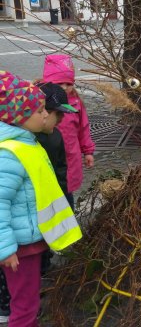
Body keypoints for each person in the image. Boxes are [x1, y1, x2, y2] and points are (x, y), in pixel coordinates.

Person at [0, 70, 82, 326]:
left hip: (31, 239)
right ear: (18, 117)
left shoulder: (28, 143)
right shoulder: (10, 154)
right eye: (39, 111)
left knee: (29, 302)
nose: (46, 114)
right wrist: (6, 249)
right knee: (24, 306)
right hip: (19, 248)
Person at [42, 54, 95, 208]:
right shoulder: (40, 102)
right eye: (59, 83)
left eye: (68, 83)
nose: (64, 87)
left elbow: (83, 129)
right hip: (48, 157)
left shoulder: (77, 103)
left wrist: (88, 151)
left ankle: (69, 222)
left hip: (70, 157)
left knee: (66, 193)